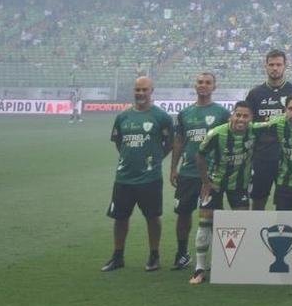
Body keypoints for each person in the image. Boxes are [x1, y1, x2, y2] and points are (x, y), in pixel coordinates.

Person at [102, 76, 174, 273]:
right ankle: (118, 256)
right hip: (124, 177)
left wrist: (156, 158)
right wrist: (130, 159)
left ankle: (154, 255)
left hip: (150, 178)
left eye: (144, 90)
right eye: (137, 90)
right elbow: (119, 143)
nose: (140, 93)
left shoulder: (162, 117)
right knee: (120, 218)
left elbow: (169, 144)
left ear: (152, 91)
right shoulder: (123, 117)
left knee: (153, 217)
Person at [169, 72, 230, 271]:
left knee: (213, 216)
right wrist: (173, 167)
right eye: (200, 82)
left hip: (212, 175)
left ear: (214, 87)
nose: (203, 85)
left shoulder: (222, 113)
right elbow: (179, 142)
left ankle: (215, 258)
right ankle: (182, 253)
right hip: (187, 172)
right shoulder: (185, 114)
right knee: (183, 213)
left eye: (207, 83)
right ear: (195, 86)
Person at [190, 100, 254, 284]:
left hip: (239, 185)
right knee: (204, 223)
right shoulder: (216, 134)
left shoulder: (254, 131)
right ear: (232, 115)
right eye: (238, 115)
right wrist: (205, 182)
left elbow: (274, 123)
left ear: (251, 119)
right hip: (215, 184)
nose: (241, 119)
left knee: (242, 223)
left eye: (245, 116)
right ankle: (200, 269)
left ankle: (239, 265)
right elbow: (199, 156)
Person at [244, 49, 292, 210]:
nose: (275, 68)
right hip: (261, 157)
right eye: (271, 64)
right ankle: (256, 232)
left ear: (285, 66)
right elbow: (248, 123)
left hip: (287, 158)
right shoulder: (255, 94)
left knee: (284, 204)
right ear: (266, 66)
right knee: (258, 200)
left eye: (278, 64)